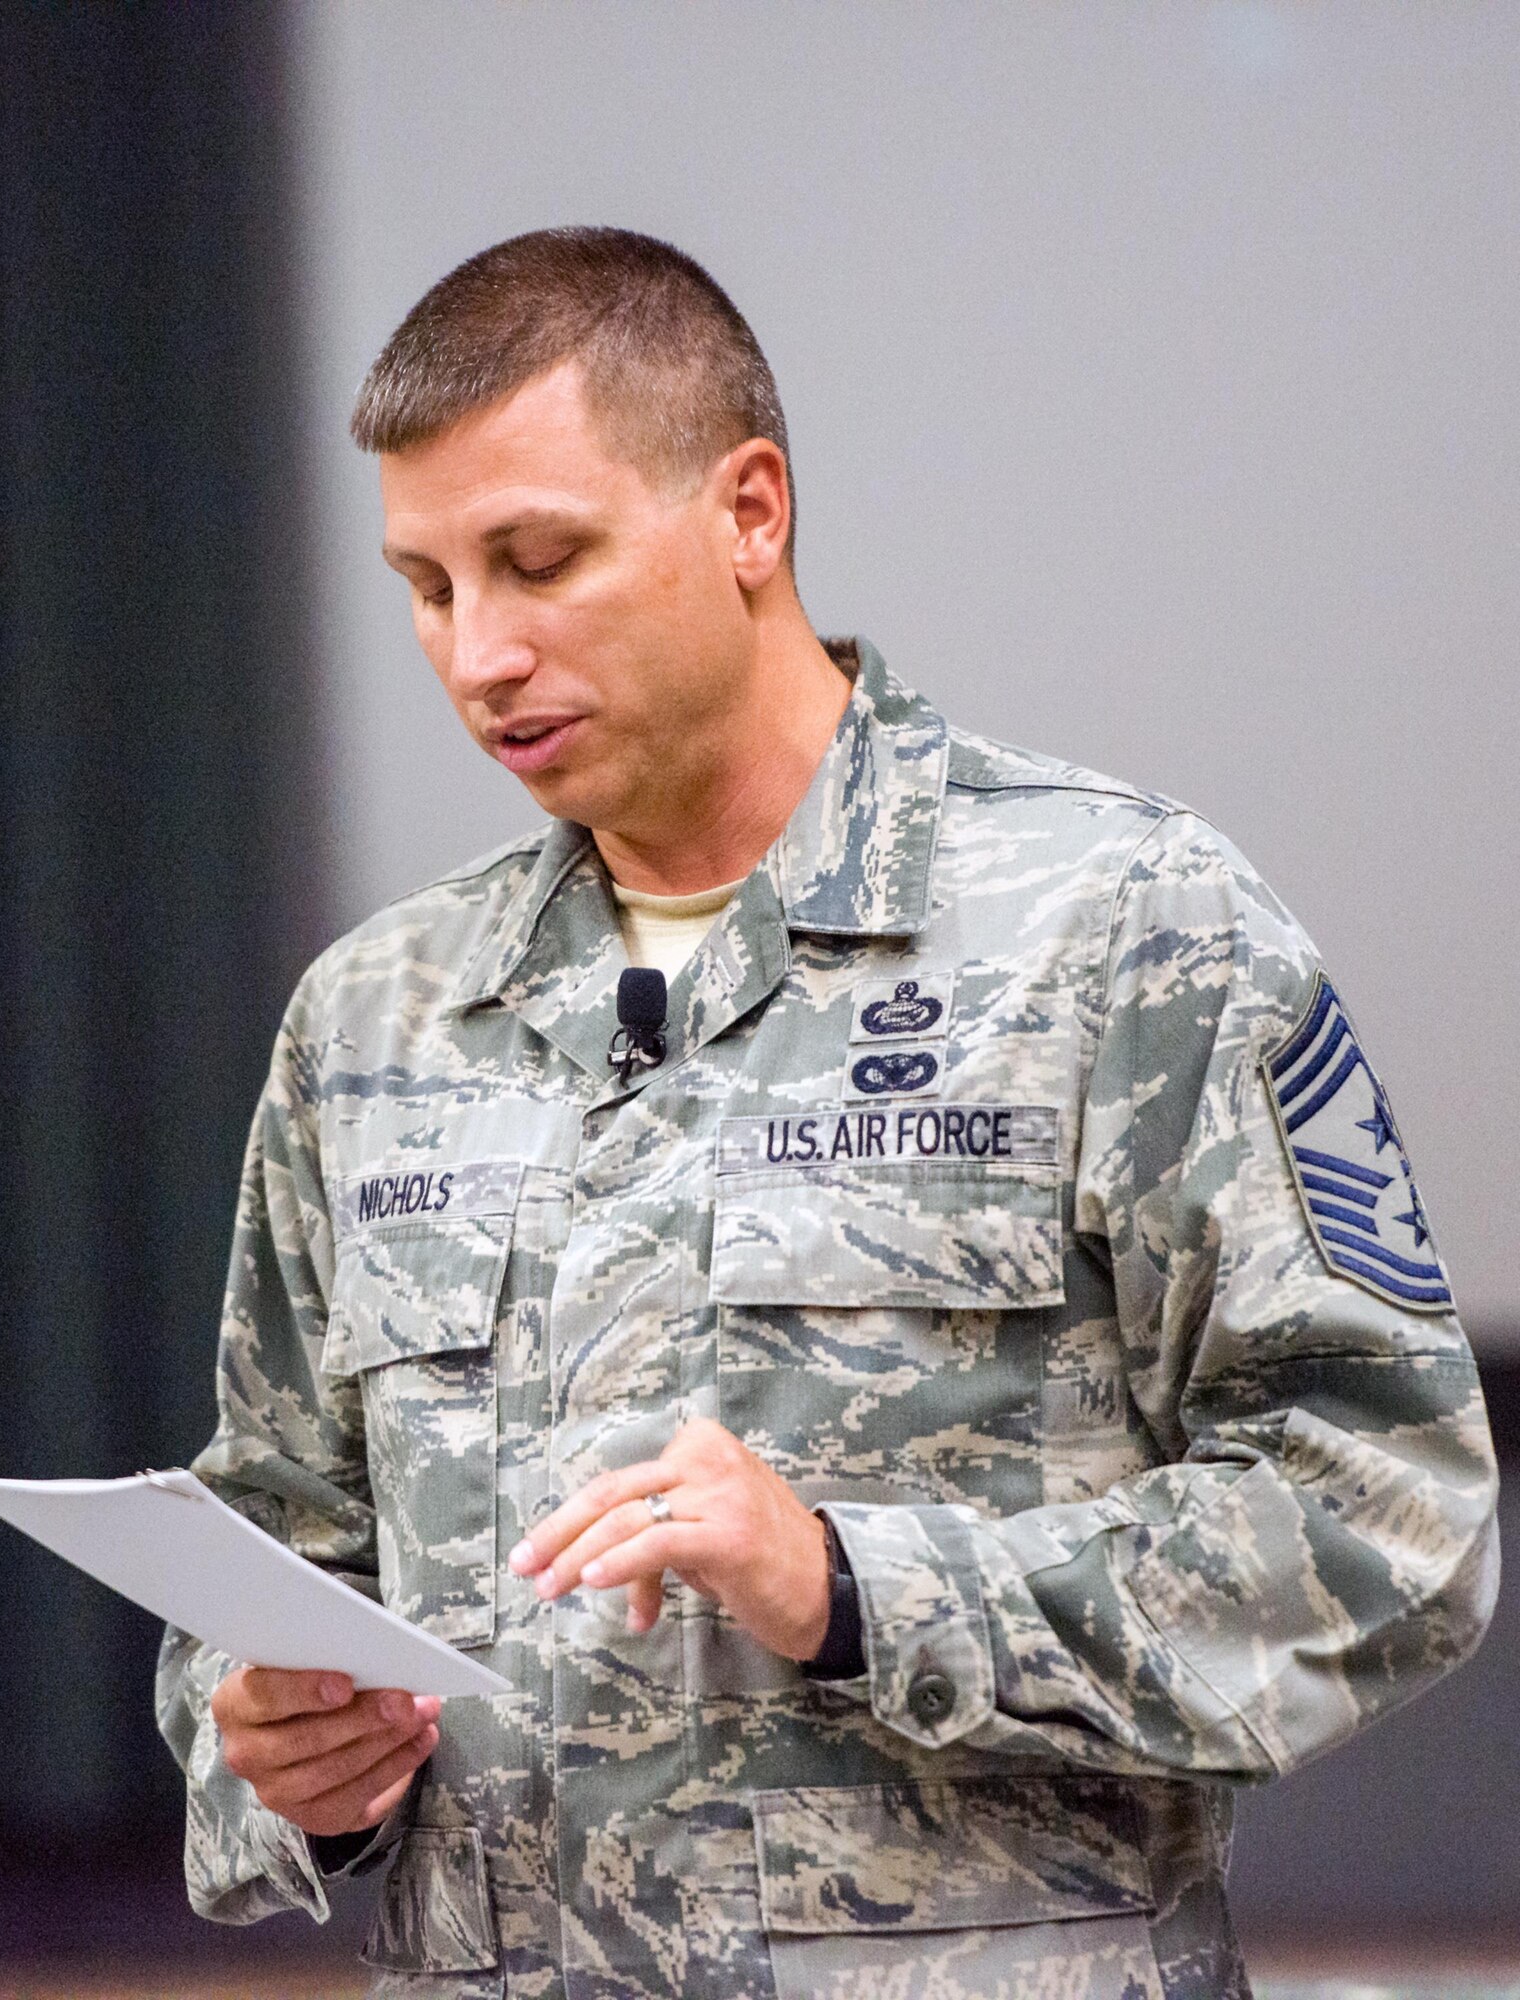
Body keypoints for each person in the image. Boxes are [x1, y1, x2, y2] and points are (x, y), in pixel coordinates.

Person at [157, 227, 1499, 2000]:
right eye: (425, 585)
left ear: (750, 513)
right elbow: (263, 1554)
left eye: (538, 560)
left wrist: (861, 1586)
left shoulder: (1120, 933)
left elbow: (1388, 1512)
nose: (478, 652)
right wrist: (273, 1752)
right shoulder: (380, 1018)